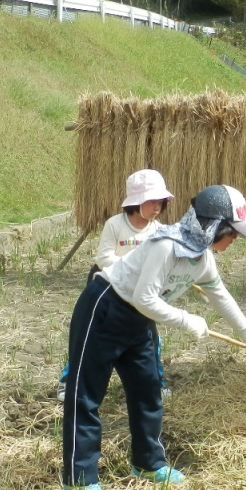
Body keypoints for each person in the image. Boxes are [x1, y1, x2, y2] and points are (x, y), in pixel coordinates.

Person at [62, 184, 246, 490]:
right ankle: (80, 480)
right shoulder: (166, 246)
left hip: (140, 322)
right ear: (216, 227)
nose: (234, 241)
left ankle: (148, 463)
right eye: (233, 234)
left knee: (148, 390)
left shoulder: (201, 259)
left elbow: (220, 296)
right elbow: (145, 297)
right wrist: (187, 320)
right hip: (105, 309)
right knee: (87, 395)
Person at [57, 169, 173, 401]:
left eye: (160, 201)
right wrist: (135, 266)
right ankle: (70, 383)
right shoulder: (115, 225)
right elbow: (103, 258)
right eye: (152, 201)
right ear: (136, 201)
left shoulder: (160, 231)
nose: (157, 207)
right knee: (88, 338)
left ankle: (155, 383)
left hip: (139, 293)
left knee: (149, 337)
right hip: (107, 290)